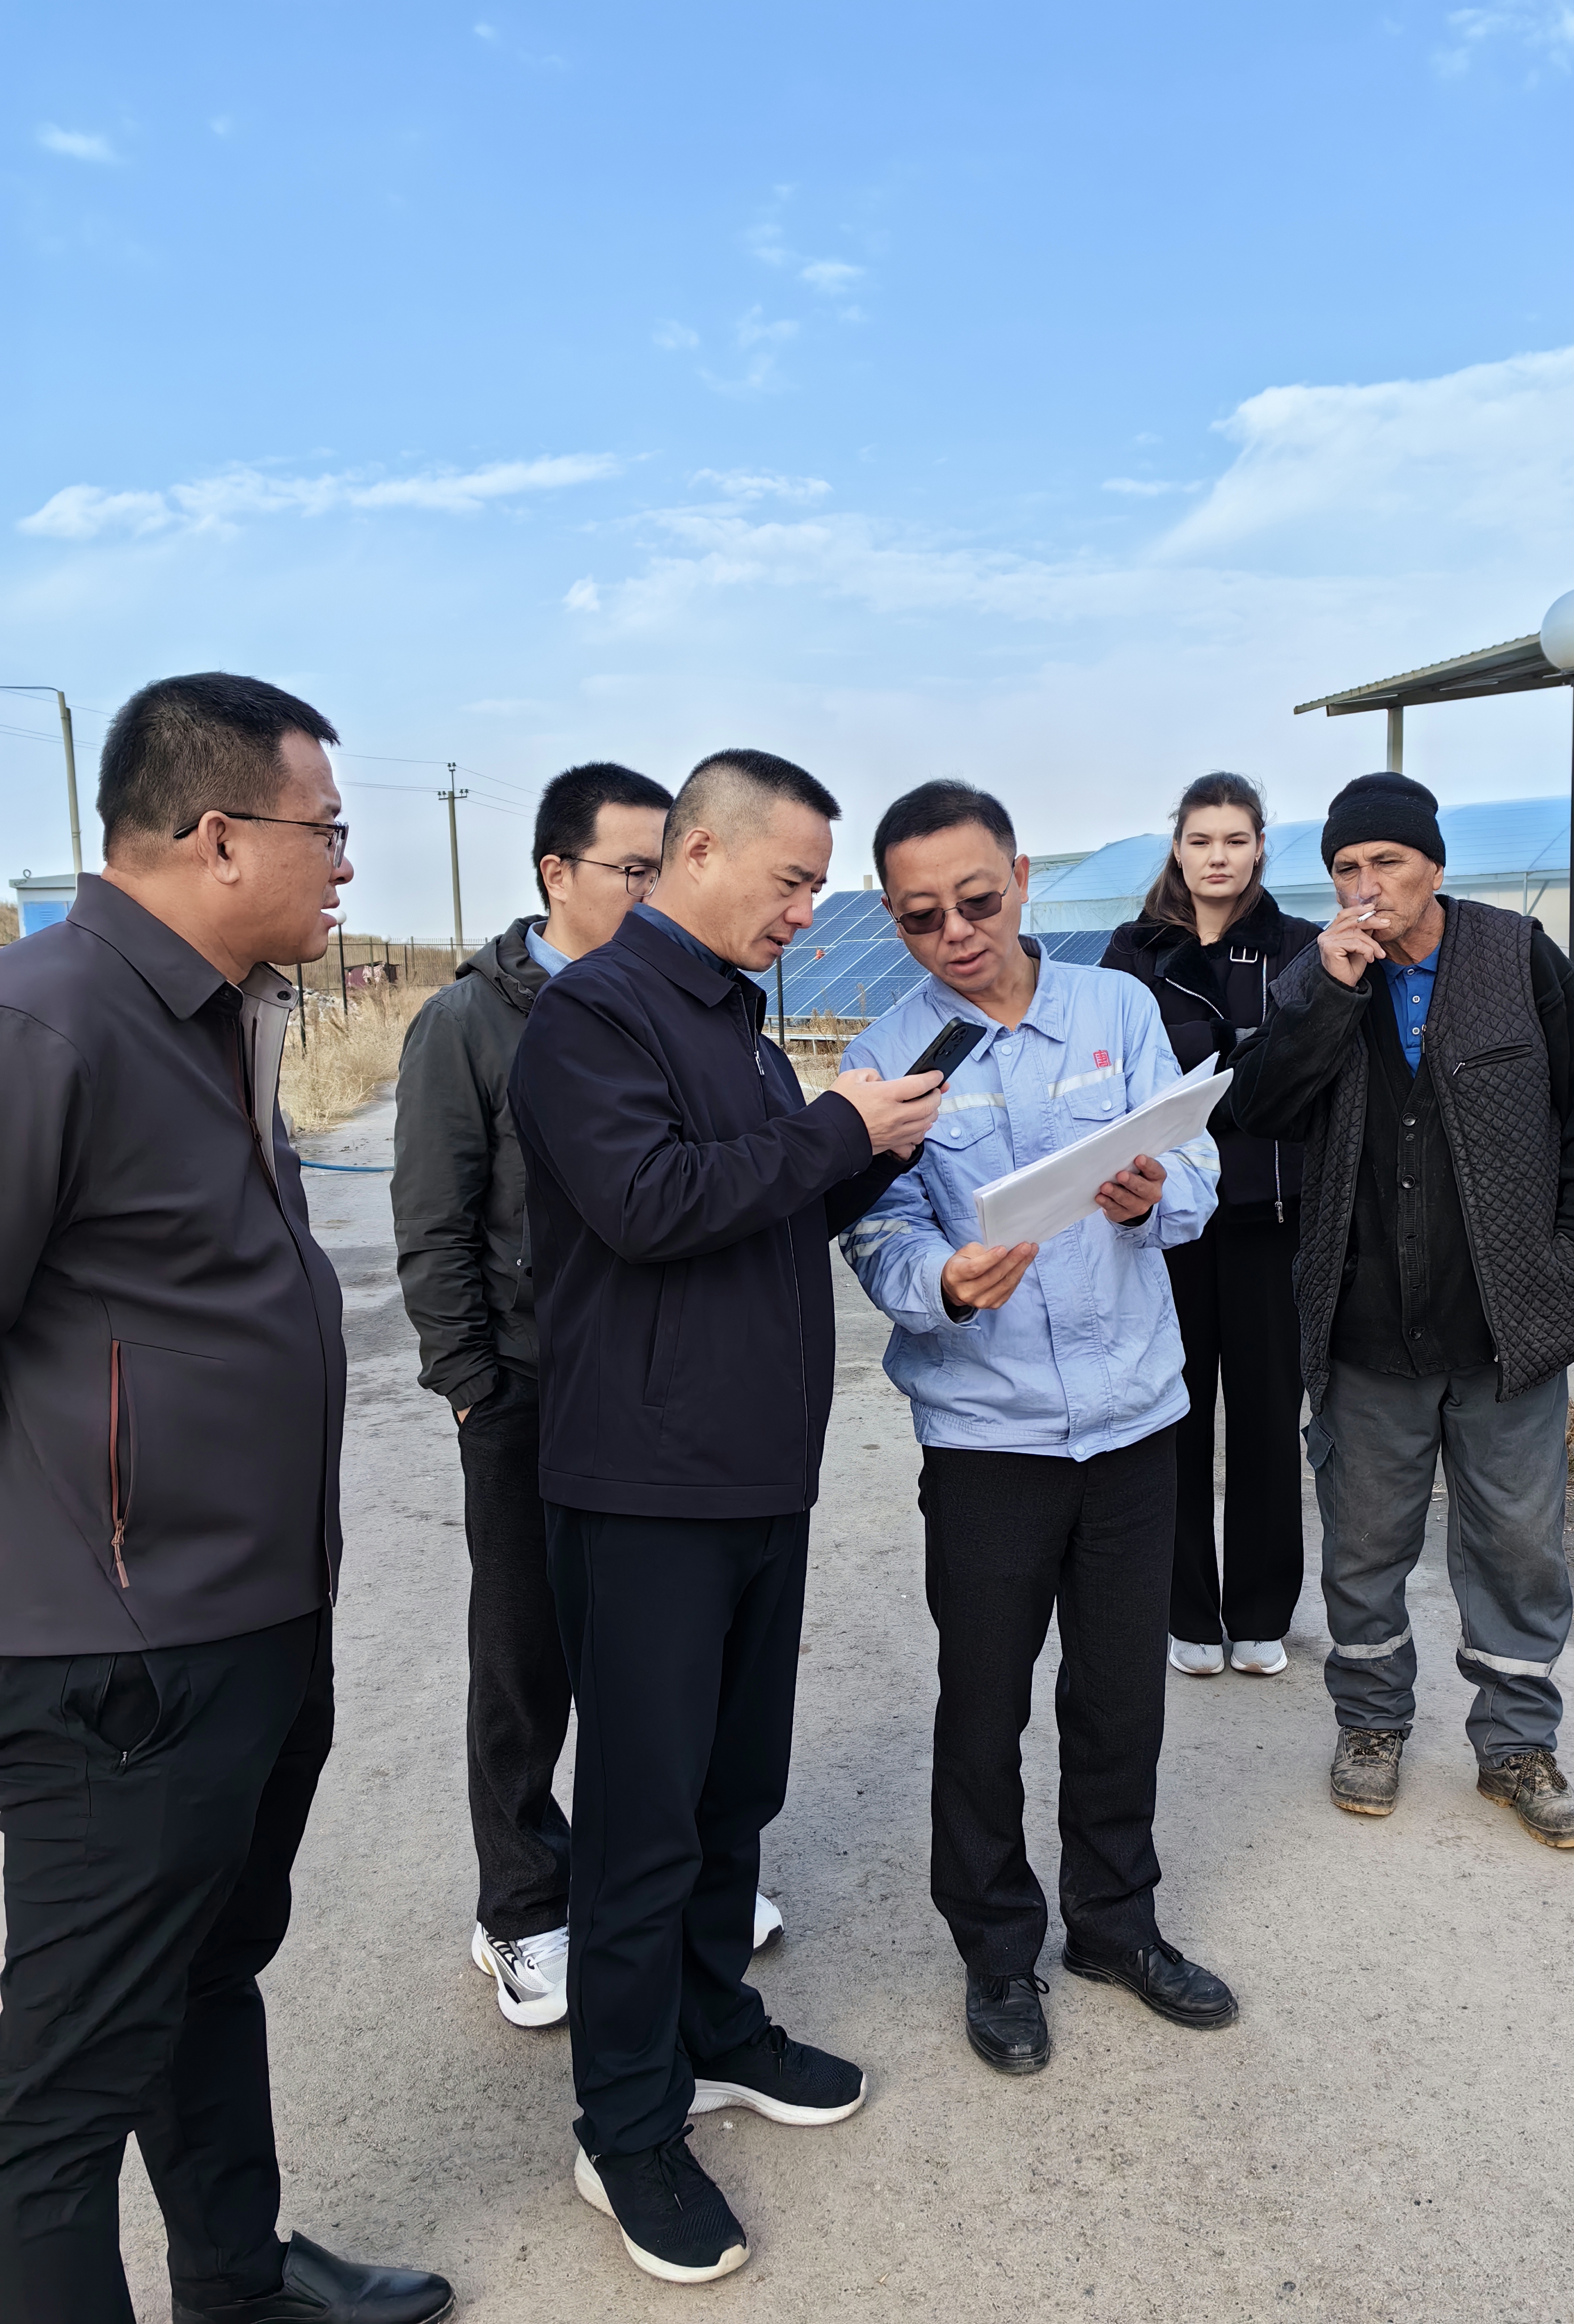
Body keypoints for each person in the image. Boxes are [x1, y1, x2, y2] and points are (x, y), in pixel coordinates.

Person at [0, 674, 451, 2324]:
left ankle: (237, 2288)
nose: (346, 862)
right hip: (116, 1661)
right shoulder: (48, 1022)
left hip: (252, 1620)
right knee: (58, 2096)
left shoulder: (214, 1011)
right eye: (326, 828)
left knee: (206, 1974)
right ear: (216, 835)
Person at [508, 748, 944, 2285]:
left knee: (729, 1791)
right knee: (642, 1822)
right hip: (646, 1486)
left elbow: (761, 1210)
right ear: (698, 852)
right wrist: (836, 1130)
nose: (807, 910)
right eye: (792, 880)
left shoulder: (737, 1024)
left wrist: (869, 1153)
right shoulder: (593, 1015)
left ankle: (714, 2027)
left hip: (759, 1475)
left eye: (818, 886)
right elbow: (646, 1205)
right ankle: (625, 2126)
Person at [839, 779, 1239, 2082]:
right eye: (920, 916)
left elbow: (1196, 1164)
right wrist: (943, 1282)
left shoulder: (1116, 1009)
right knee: (983, 1702)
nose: (956, 932)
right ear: (893, 917)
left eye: (977, 899)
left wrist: (1150, 1195)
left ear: (1020, 876)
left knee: (1120, 1696)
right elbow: (877, 1227)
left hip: (1132, 1420)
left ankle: (1116, 1924)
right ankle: (998, 1948)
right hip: (987, 1436)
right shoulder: (891, 1055)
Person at [392, 762, 776, 2022]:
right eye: (631, 870)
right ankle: (521, 1905)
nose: (654, 891)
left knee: (651, 1662)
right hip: (529, 1391)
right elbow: (436, 1222)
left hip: (650, 1395)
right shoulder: (473, 1022)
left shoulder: (687, 1008)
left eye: (665, 867)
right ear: (557, 872)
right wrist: (473, 1387)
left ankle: (654, 1882)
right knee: (526, 1659)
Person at [1227, 772, 1574, 1845]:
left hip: (1508, 1329)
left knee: (1519, 1550)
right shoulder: (1318, 973)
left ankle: (1517, 1746)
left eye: (1388, 862)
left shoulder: (1518, 956)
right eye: (1346, 868)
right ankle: (1371, 1726)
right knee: (1365, 1547)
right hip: (1365, 1328)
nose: (1366, 886)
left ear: (1435, 867)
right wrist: (1328, 995)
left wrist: (1571, 1271)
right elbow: (1260, 1106)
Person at [1102, 773, 1319, 1679]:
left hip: (1272, 1217)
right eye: (1201, 841)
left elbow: (1312, 1070)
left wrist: (1231, 1078)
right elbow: (1113, 1077)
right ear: (1178, 848)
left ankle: (1262, 1613)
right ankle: (1186, 1611)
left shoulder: (1301, 947)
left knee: (1267, 1421)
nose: (1218, 857)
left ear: (1260, 846)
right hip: (1169, 1222)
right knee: (1174, 1417)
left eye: (1235, 840)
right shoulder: (1136, 952)